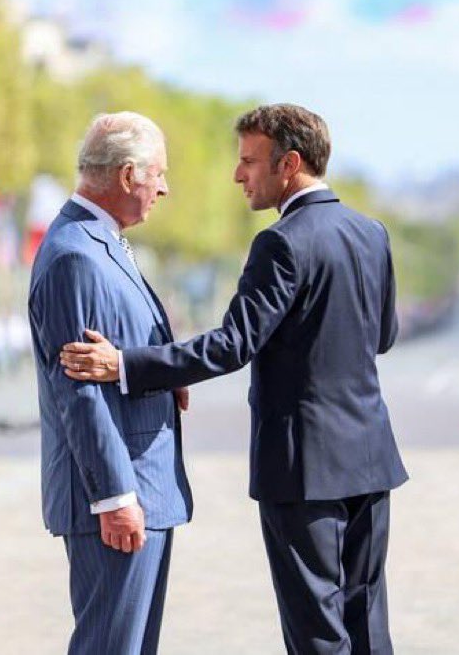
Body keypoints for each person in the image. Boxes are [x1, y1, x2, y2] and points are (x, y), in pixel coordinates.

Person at [61, 103, 407, 654]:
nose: (238, 174)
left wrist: (125, 365)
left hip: (302, 467)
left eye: (249, 161)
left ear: (289, 164)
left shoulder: (281, 242)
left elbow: (232, 345)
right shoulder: (371, 233)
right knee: (367, 622)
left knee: (317, 631)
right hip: (371, 458)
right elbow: (383, 336)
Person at [28, 112, 192, 655]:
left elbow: (116, 350)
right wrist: (114, 497)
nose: (164, 188)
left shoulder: (101, 241)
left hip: (143, 488)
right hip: (120, 497)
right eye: (158, 174)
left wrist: (159, 375)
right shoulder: (75, 254)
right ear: (128, 175)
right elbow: (79, 391)